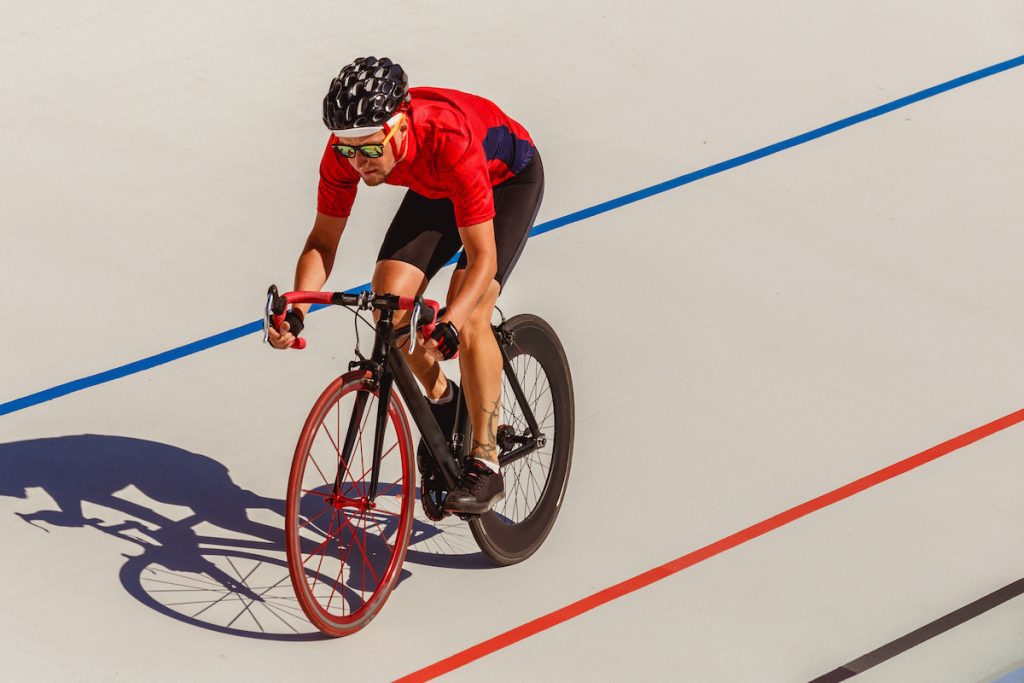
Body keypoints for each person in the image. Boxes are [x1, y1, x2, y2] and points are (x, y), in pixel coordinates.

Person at [268, 56, 544, 515]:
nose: (357, 163)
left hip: (503, 180)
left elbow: (483, 258)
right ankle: (444, 401)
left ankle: (485, 459)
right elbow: (322, 242)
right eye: (346, 150)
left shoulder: (448, 137)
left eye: (370, 151)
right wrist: (297, 311)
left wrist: (451, 323)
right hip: (436, 185)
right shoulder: (348, 152)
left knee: (472, 312)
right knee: (389, 305)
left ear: (399, 128)